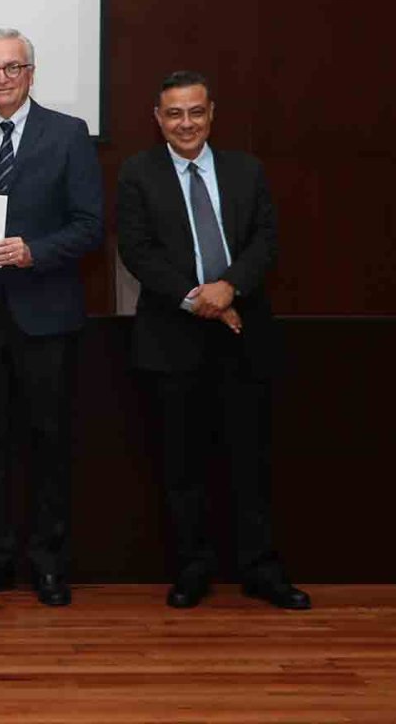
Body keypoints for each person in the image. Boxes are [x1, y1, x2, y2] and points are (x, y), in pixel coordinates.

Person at [115, 70, 310, 611]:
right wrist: (197, 299)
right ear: (158, 119)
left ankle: (261, 569)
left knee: (251, 461)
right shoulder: (137, 174)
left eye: (195, 112)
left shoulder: (246, 170)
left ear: (211, 114)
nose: (186, 124)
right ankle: (192, 569)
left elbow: (265, 240)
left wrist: (229, 289)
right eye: (174, 114)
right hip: (171, 340)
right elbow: (137, 250)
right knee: (182, 466)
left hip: (244, 337)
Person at [0, 28, 104, 606]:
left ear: (31, 73)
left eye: (12, 67)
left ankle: (49, 564)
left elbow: (90, 226)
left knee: (48, 444)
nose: (2, 78)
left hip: (47, 315)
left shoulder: (69, 134)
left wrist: (35, 251)